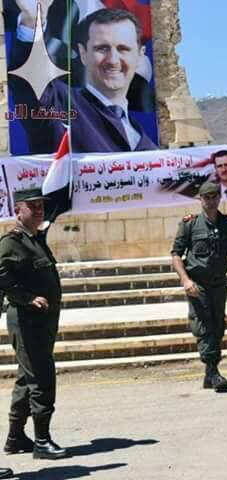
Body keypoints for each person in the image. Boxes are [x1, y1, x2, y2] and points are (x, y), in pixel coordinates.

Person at [8, 7, 158, 153]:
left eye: (123, 49)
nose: (113, 60)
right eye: (102, 48)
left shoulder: (147, 144)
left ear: (140, 55)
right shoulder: (60, 105)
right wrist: (31, 23)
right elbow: (31, 84)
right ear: (83, 53)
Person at [0, 188, 67, 460]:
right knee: (41, 377)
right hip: (26, 320)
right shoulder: (11, 242)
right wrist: (27, 299)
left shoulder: (35, 238)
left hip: (42, 321)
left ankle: (16, 437)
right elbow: (2, 276)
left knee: (27, 378)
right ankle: (42, 440)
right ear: (18, 210)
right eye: (32, 206)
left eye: (41, 206)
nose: (39, 210)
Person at [171, 181, 227, 392]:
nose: (212, 200)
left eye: (215, 196)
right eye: (207, 197)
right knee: (203, 325)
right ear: (200, 199)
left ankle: (209, 374)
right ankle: (214, 372)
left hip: (218, 284)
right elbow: (176, 254)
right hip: (198, 284)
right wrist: (186, 281)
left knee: (218, 326)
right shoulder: (189, 224)